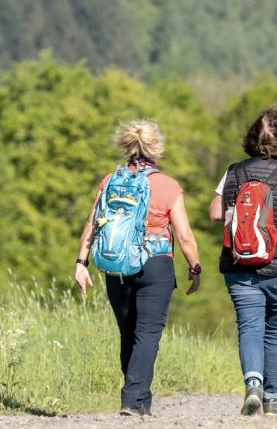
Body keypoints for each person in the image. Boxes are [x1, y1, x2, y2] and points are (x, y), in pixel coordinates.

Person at [74, 119, 203, 417]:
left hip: (116, 263)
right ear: (156, 147)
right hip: (155, 265)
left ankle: (140, 401)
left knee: (128, 332)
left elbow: (92, 223)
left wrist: (81, 263)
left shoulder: (109, 180)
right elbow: (184, 235)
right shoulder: (168, 185)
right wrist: (194, 266)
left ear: (126, 145)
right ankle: (132, 400)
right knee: (147, 334)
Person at [207, 108, 277, 417]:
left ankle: (253, 384)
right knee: (276, 331)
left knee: (249, 326)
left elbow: (215, 213)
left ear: (250, 138)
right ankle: (272, 400)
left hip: (240, 265)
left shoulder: (234, 172)